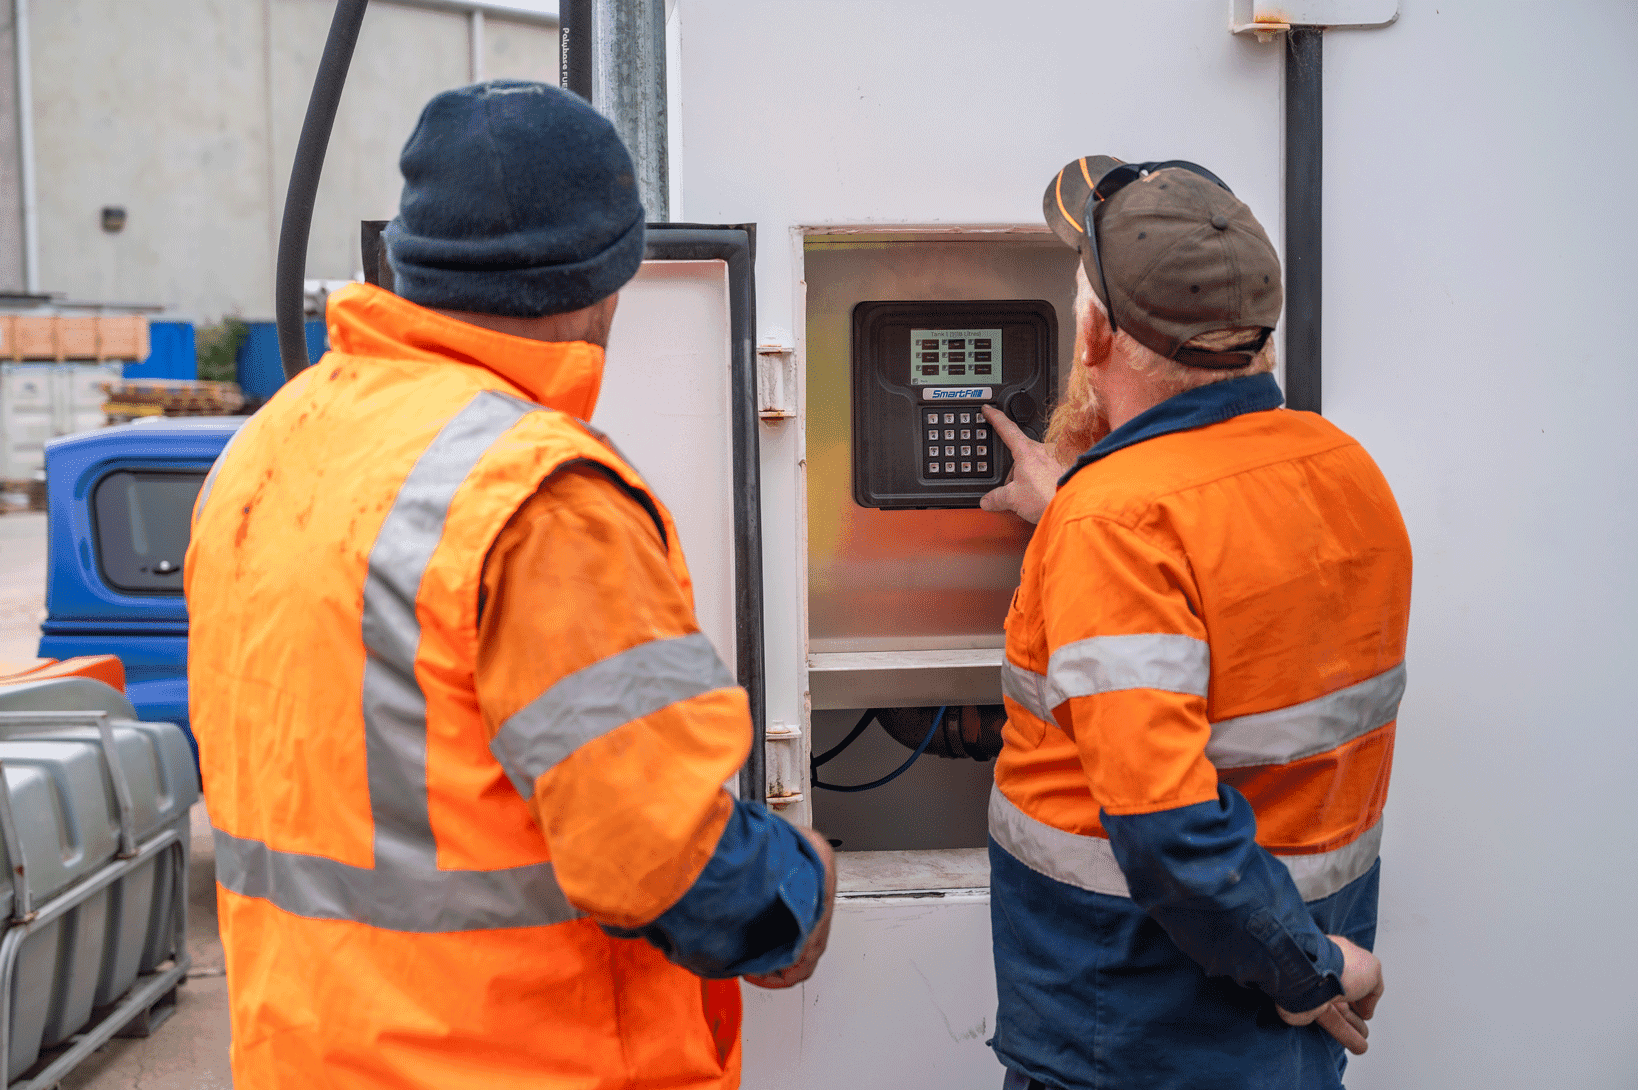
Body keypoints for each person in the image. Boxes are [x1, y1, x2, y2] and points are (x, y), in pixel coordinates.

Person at [185, 80, 834, 1089]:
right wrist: (799, 891)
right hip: (519, 1059)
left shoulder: (268, 445)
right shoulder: (539, 496)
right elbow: (658, 857)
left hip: (308, 1056)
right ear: (609, 283)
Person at [978, 156, 1412, 1090]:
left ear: (1093, 333)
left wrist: (1312, 972)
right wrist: (1075, 509)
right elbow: (1233, 617)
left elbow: (1168, 823)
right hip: (1277, 1030)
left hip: (1134, 1031)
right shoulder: (1345, 470)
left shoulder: (1117, 524)